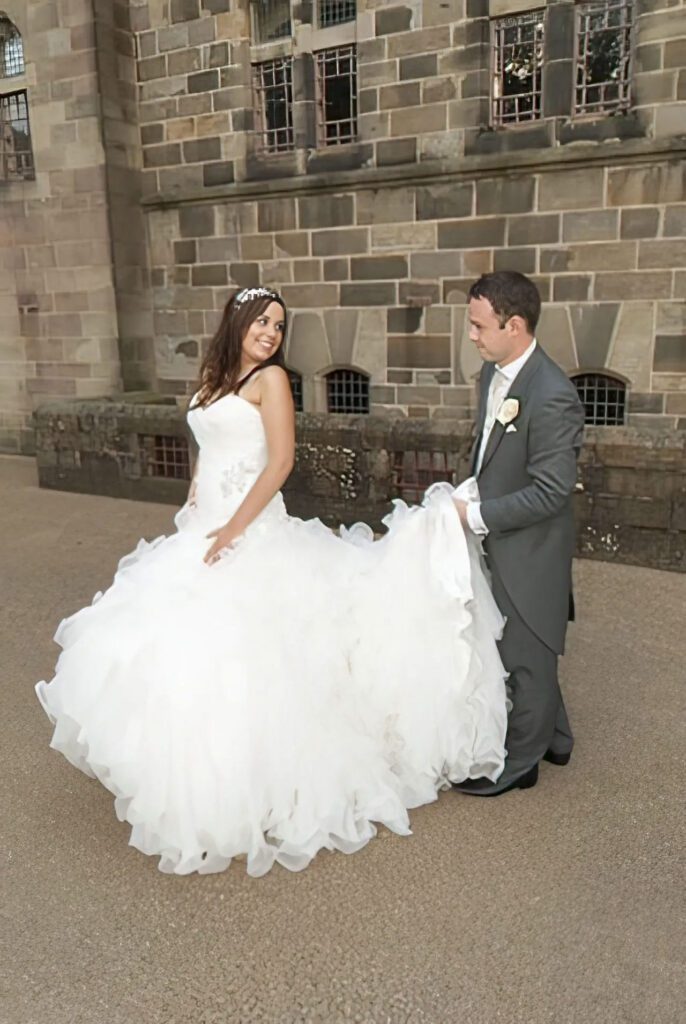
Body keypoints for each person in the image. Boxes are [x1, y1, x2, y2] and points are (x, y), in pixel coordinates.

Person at [36, 286, 508, 876]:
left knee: (255, 656)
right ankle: (183, 771)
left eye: (280, 326)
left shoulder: (272, 381)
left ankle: (250, 784)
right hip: (204, 527)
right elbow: (209, 448)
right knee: (163, 646)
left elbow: (280, 462)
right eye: (262, 321)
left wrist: (233, 528)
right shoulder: (213, 377)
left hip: (251, 532)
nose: (270, 333)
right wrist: (195, 501)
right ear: (237, 322)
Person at [452, 271, 585, 797]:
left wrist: (476, 518)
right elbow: (490, 451)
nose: (471, 335)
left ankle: (518, 766)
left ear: (515, 324)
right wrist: (469, 489)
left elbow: (552, 492)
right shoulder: (493, 374)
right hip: (498, 534)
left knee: (526, 658)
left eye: (479, 326)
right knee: (521, 646)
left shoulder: (553, 395)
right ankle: (557, 740)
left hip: (530, 549)